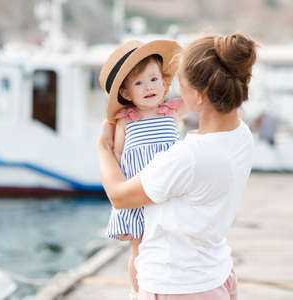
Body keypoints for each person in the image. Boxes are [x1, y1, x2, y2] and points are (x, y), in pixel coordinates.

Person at [98, 32, 257, 299]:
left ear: (199, 95)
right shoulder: (241, 135)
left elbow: (119, 196)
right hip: (215, 274)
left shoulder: (186, 158)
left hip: (176, 286)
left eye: (180, 83)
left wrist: (103, 148)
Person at [98, 39, 184, 298]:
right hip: (138, 193)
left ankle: (171, 285)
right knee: (139, 249)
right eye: (139, 83)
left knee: (172, 244)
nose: (149, 87)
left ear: (164, 82)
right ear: (125, 94)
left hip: (169, 192)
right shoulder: (126, 121)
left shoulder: (170, 113)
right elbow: (118, 154)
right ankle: (140, 291)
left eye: (154, 79)